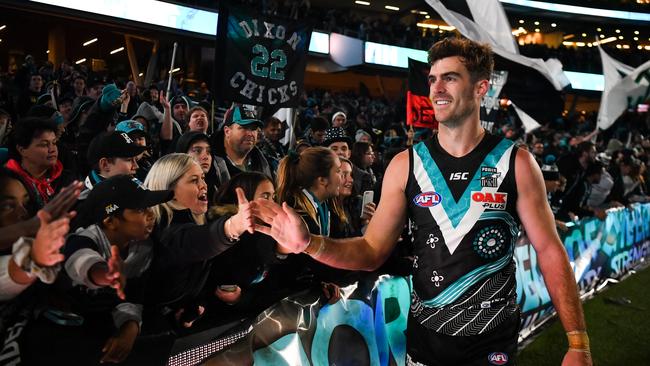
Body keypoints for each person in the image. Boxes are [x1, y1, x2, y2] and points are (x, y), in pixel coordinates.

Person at [254, 37, 592, 366]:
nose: (437, 89)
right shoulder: (406, 165)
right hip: (427, 343)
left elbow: (548, 249)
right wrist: (308, 243)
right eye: (433, 79)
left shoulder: (515, 162)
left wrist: (577, 341)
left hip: (492, 342)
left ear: (480, 88)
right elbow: (371, 251)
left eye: (450, 78)